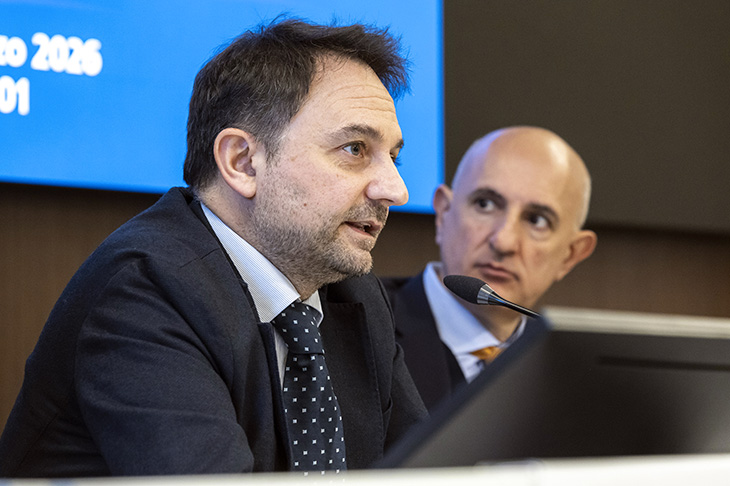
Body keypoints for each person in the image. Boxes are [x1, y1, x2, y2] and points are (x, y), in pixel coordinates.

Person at [0, 18, 427, 477]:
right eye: (355, 149)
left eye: (394, 157)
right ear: (242, 162)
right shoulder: (144, 292)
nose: (395, 190)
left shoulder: (352, 293)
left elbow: (430, 470)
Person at [383, 126, 597, 411]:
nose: (503, 241)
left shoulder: (579, 374)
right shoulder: (358, 327)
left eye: (537, 220)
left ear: (570, 255)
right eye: (485, 205)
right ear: (443, 214)